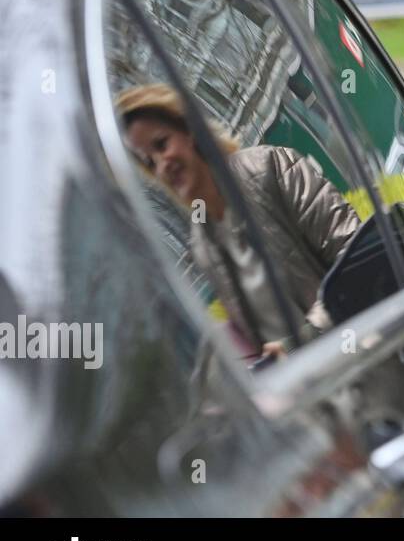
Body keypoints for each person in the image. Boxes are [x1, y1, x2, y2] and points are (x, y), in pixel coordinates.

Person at [115, 84, 360, 361]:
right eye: (150, 161)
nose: (162, 165)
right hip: (308, 394)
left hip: (362, 368)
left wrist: (304, 338)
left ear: (190, 130)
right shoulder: (203, 245)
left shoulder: (271, 168)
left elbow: (355, 258)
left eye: (162, 144)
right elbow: (258, 342)